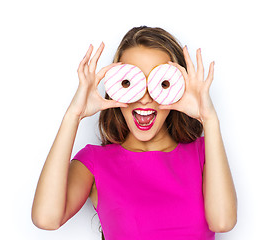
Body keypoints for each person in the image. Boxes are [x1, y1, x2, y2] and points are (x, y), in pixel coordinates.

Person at [31, 26, 237, 240]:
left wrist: (210, 120)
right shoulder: (94, 162)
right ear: (115, 86)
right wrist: (73, 115)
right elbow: (46, 218)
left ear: (178, 88)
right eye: (129, 83)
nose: (145, 98)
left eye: (162, 83)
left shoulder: (202, 153)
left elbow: (223, 221)